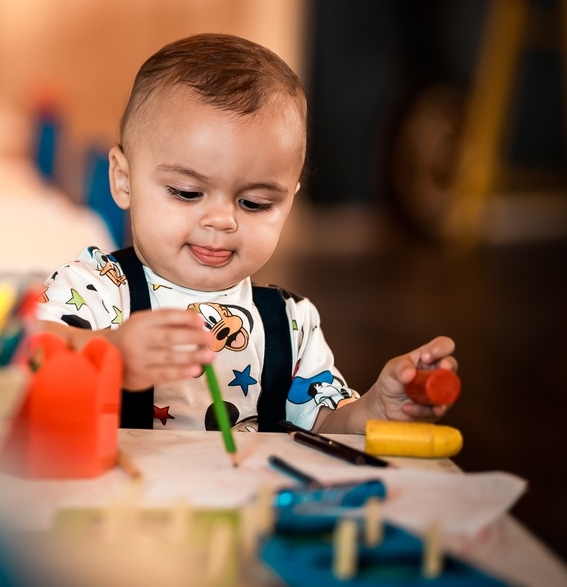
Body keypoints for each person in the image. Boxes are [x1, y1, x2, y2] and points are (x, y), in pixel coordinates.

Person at [34, 33, 458, 433]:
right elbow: (30, 354)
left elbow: (326, 426)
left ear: (290, 198)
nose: (222, 221)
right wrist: (108, 354)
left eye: (254, 203)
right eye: (187, 193)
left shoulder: (290, 325)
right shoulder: (96, 291)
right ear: (123, 181)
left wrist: (372, 412)